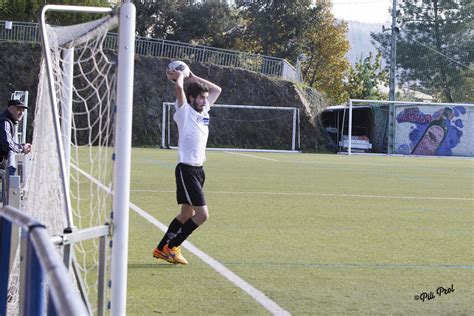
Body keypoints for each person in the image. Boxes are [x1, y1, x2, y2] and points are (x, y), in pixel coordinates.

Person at [153, 66, 222, 265]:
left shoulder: (205, 110)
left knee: (186, 214)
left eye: (204, 98)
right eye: (200, 98)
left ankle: (160, 248)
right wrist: (181, 79)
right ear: (191, 98)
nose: (204, 101)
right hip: (187, 169)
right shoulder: (184, 113)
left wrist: (192, 75)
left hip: (199, 170)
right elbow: (179, 91)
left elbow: (217, 90)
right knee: (202, 215)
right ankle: (172, 247)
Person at [0, 99, 31, 165]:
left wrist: (21, 146)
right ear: (10, 109)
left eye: (23, 110)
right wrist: (22, 148)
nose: (21, 113)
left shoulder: (6, 119)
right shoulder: (4, 121)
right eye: (18, 109)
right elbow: (8, 145)